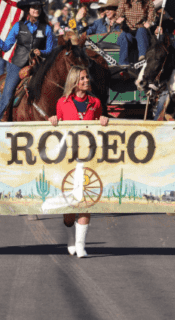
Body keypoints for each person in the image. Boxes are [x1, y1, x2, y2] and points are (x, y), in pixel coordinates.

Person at [51, 66, 110, 258]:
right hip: (68, 159)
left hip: (89, 158)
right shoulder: (62, 102)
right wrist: (53, 119)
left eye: (87, 77)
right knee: (70, 206)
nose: (87, 80)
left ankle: (81, 244)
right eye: (83, 78)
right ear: (75, 81)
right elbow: (57, 128)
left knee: (85, 202)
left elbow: (100, 124)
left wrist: (103, 120)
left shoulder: (95, 102)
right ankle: (70, 238)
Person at [0, 0, 55, 122]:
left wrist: (41, 52)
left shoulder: (47, 28)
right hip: (17, 66)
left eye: (38, 7)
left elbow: (50, 50)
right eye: (33, 7)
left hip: (38, 66)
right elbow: (5, 47)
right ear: (27, 10)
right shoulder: (18, 26)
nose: (36, 9)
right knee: (8, 93)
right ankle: (0, 122)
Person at [116, 0, 154, 65]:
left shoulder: (148, 3)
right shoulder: (124, 2)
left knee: (141, 30)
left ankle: (142, 56)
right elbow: (118, 16)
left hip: (142, 33)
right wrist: (119, 20)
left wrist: (149, 23)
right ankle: (123, 63)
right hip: (127, 32)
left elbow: (152, 18)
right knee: (125, 36)